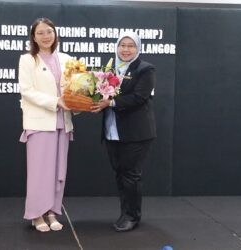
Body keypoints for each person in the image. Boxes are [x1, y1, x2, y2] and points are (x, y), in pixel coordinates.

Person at [92, 31, 156, 232]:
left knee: (130, 174)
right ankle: (125, 212)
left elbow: (139, 97)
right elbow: (99, 94)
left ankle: (132, 216)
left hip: (136, 132)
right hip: (112, 132)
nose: (126, 49)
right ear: (116, 47)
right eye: (122, 45)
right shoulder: (109, 69)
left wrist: (109, 102)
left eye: (131, 46)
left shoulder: (145, 69)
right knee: (121, 174)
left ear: (138, 48)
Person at [18, 17, 73, 232]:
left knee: (58, 171)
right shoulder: (27, 60)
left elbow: (73, 90)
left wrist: (80, 102)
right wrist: (55, 102)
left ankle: (52, 212)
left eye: (49, 31)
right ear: (33, 37)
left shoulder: (67, 59)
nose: (46, 36)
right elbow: (27, 91)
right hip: (40, 122)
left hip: (63, 123)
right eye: (40, 32)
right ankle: (36, 214)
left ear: (55, 33)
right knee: (40, 172)